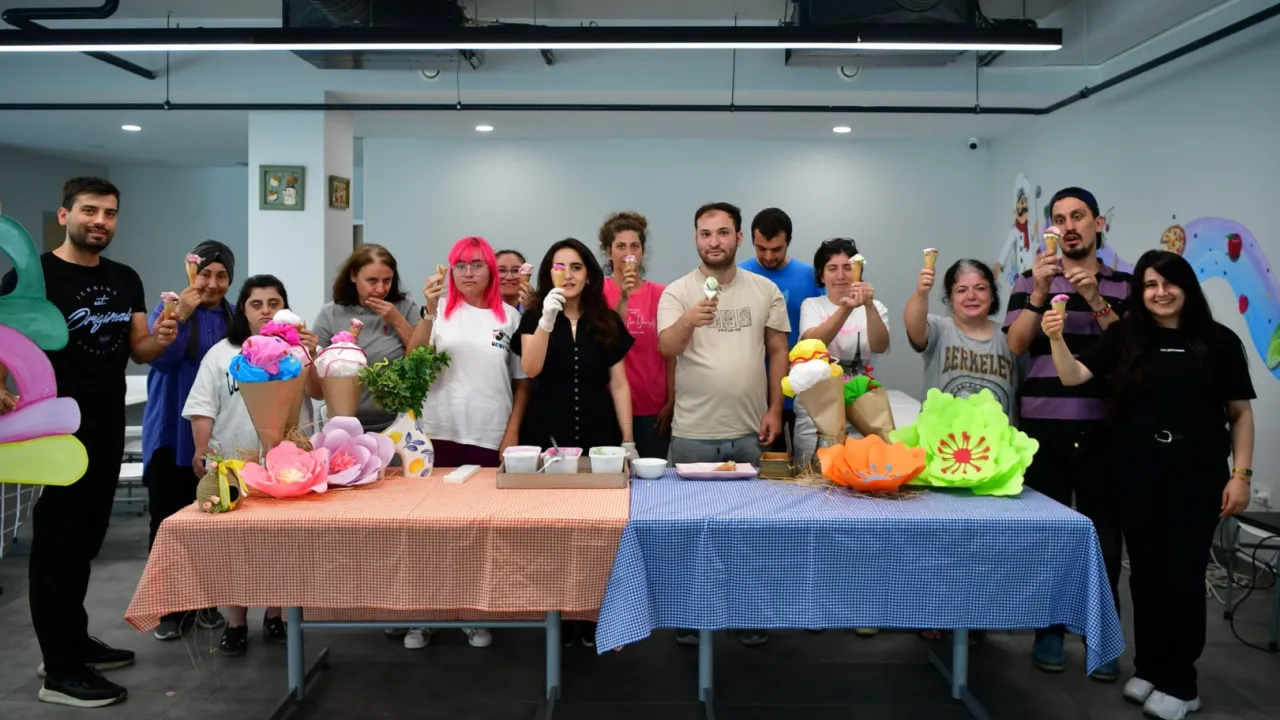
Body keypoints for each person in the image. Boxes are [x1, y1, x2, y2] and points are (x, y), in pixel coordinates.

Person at [1041, 250, 1254, 720]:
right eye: (1150, 284)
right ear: (1140, 292)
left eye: (1169, 283)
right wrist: (1056, 339)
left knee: (1182, 577)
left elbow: (1240, 414)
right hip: (1136, 472)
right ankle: (1151, 667)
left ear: (1186, 287)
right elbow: (1074, 375)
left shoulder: (1218, 341)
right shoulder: (1127, 336)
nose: (1160, 293)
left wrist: (1241, 476)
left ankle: (1182, 682)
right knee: (1146, 575)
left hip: (1197, 475)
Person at [0, 177, 178, 708]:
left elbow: (140, 349)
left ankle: (71, 641)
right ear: (64, 215)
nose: (100, 221)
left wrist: (161, 337)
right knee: (58, 545)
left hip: (103, 425)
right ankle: (60, 672)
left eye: (110, 213)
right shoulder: (32, 276)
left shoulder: (125, 278)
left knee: (86, 540)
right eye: (90, 211)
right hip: (53, 429)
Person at [1002, 186, 1131, 682]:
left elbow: (1131, 348)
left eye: (1078, 216)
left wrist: (1095, 297)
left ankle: (1102, 637)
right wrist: (1038, 293)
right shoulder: (1027, 279)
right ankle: (1048, 631)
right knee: (1047, 535)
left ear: (1098, 223)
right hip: (1043, 428)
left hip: (1104, 427)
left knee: (1105, 539)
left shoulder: (1124, 283)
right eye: (1059, 219)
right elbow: (1017, 345)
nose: (1069, 226)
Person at [658, 202, 788, 647]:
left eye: (723, 232)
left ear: (738, 238)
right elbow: (666, 347)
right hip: (693, 432)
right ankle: (689, 614)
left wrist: (776, 408)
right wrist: (689, 320)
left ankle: (748, 613)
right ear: (696, 238)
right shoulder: (677, 292)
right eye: (705, 233)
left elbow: (777, 351)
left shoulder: (765, 289)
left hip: (751, 431)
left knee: (754, 534)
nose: (714, 241)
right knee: (689, 534)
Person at [402, 236, 530, 652]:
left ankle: (473, 616)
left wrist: (511, 433)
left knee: (477, 531)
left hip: (488, 434)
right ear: (450, 270)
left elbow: (522, 382)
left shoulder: (509, 317)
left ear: (491, 270)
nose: (468, 272)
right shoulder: (438, 312)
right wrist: (426, 312)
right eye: (460, 265)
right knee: (429, 530)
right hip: (438, 431)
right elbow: (412, 360)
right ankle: (425, 615)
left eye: (477, 264)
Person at [183, 275, 318, 657]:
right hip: (233, 460)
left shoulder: (298, 351)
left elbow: (320, 393)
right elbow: (203, 406)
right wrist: (201, 448)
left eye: (274, 303)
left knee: (285, 544)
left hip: (290, 464)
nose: (266, 311)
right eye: (256, 304)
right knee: (235, 546)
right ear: (243, 310)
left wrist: (312, 355)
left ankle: (277, 614)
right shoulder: (222, 354)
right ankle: (236, 621)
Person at [513, 237, 635, 649]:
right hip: (548, 437)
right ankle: (557, 616)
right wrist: (546, 321)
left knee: (600, 533)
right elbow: (531, 368)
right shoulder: (534, 317)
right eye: (559, 266)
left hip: (600, 438)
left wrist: (629, 440)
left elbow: (619, 383)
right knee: (551, 533)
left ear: (589, 276)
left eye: (576, 267)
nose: (568, 274)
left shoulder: (606, 321)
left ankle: (595, 616)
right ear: (548, 273)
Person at [142, 240, 236, 642]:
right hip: (171, 433)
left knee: (212, 522)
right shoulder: (168, 310)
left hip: (217, 437)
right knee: (167, 523)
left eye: (222, 276)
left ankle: (206, 602)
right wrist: (180, 316)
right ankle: (169, 608)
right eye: (206, 274)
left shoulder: (235, 318)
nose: (212, 283)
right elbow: (162, 360)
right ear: (192, 274)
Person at [793, 238, 890, 463]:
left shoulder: (876, 307)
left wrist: (868, 306)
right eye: (832, 268)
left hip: (862, 409)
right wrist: (846, 308)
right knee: (813, 475)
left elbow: (880, 345)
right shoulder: (811, 305)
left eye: (848, 267)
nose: (840, 275)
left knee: (858, 472)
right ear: (821, 275)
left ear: (858, 272)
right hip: (816, 413)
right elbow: (813, 341)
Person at [308, 244, 420, 431]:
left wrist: (397, 320)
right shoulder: (330, 313)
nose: (380, 289)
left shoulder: (405, 307)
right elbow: (316, 386)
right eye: (372, 280)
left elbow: (421, 357)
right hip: (341, 423)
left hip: (396, 425)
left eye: (387, 281)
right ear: (353, 276)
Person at [738, 208, 821, 452]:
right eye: (760, 248)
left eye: (776, 249)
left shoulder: (810, 277)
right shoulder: (739, 275)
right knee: (763, 467)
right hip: (753, 391)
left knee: (807, 464)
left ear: (789, 242)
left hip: (802, 389)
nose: (768, 256)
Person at [599, 211, 675, 461]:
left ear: (642, 251)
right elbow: (607, 342)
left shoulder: (662, 294)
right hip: (608, 407)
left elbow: (670, 354)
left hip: (653, 409)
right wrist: (623, 297)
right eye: (620, 246)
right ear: (608, 252)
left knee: (652, 477)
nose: (628, 252)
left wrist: (671, 401)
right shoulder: (597, 293)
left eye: (634, 246)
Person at [904, 258, 1016, 417]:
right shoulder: (939, 329)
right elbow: (913, 327)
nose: (971, 296)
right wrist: (921, 294)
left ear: (992, 295)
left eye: (980, 288)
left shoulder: (1011, 337)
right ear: (951, 298)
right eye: (961, 290)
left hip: (997, 432)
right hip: (941, 432)